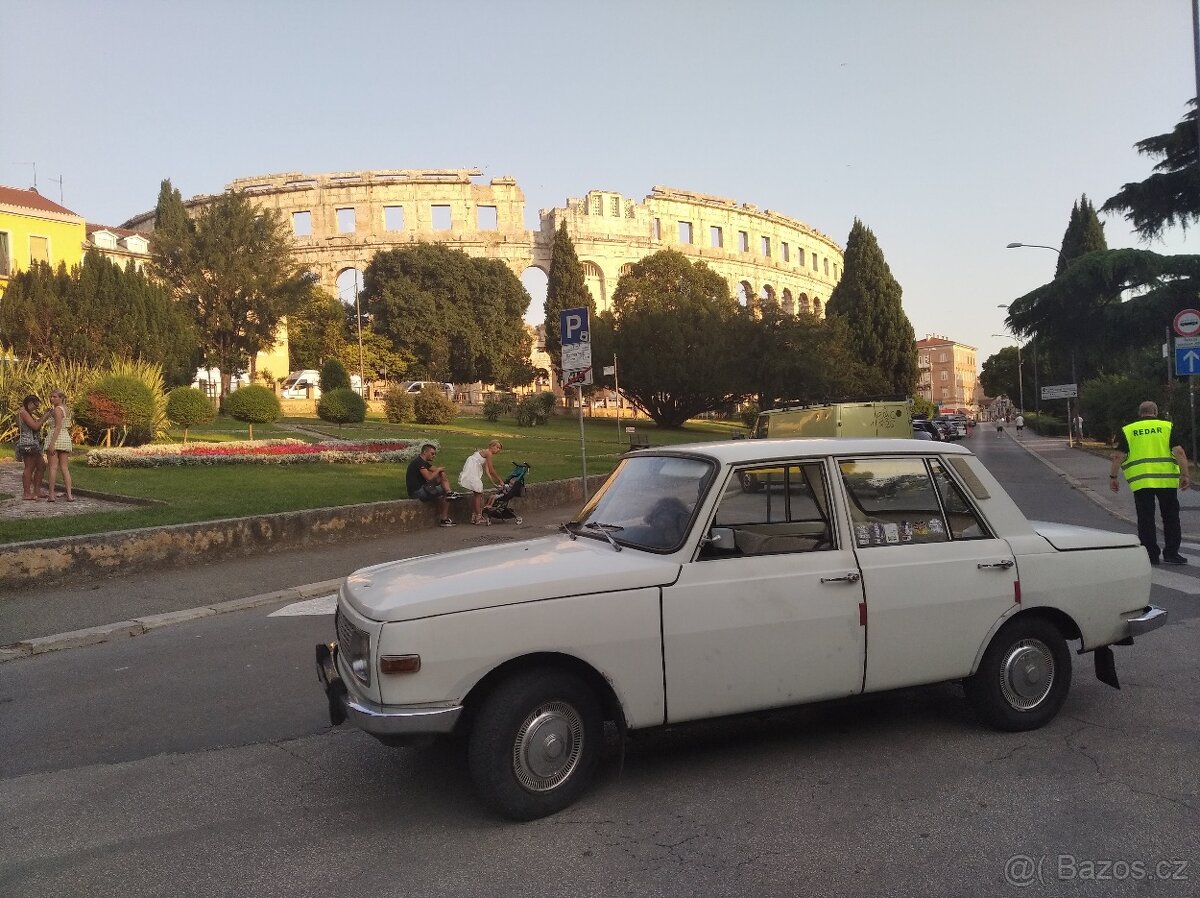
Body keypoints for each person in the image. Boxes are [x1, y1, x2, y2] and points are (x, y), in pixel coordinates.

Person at [1110, 401, 1190, 565]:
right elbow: (1179, 452)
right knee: (1171, 517)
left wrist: (1113, 477)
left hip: (1141, 482)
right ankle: (1171, 553)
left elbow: (1119, 456)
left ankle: (1151, 555)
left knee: (1145, 518)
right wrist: (1185, 475)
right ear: (1155, 411)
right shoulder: (1167, 427)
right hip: (1166, 481)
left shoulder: (1129, 430)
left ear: (1140, 413)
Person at [406, 443, 457, 527]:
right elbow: (429, 477)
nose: (434, 456)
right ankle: (444, 518)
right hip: (417, 492)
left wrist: (441, 472)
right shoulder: (419, 462)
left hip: (423, 488)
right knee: (445, 492)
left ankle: (449, 492)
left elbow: (435, 470)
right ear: (425, 452)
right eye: (432, 453)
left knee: (442, 479)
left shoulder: (423, 462)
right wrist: (439, 470)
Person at [460, 439, 503, 525]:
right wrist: (500, 480)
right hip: (473, 469)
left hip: (474, 468)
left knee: (478, 494)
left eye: (499, 449)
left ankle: (475, 516)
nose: (497, 450)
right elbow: (491, 469)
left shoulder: (486, 453)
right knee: (478, 494)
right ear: (491, 446)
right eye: (497, 447)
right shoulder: (488, 453)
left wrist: (493, 483)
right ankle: (478, 516)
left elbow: (487, 470)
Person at [43, 389, 74, 502]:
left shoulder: (57, 409)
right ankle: (69, 495)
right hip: (65, 438)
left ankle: (51, 495)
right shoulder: (66, 409)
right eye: (51, 397)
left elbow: (57, 427)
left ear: (61, 398)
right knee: (65, 468)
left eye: (55, 397)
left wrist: (52, 444)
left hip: (56, 437)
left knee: (52, 468)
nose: (52, 399)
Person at [16, 394, 48, 500]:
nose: (36, 409)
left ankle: (37, 490)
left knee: (41, 466)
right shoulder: (23, 412)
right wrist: (45, 417)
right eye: (35, 406)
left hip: (33, 443)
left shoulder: (27, 413)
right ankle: (26, 493)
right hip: (27, 444)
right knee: (29, 467)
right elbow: (35, 426)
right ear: (30, 403)